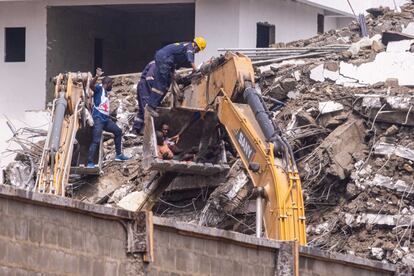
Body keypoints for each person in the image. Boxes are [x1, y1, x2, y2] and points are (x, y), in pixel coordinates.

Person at [146, 37, 207, 117]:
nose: (197, 52)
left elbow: (175, 58)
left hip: (164, 58)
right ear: (196, 46)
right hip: (165, 59)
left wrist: (173, 72)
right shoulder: (190, 47)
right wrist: (196, 70)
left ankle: (154, 105)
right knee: (162, 84)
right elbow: (190, 59)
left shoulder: (184, 45)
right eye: (198, 50)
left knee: (167, 84)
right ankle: (151, 106)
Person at [87, 68, 129, 168]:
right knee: (96, 140)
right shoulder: (99, 88)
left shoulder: (105, 92)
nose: (112, 86)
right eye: (111, 84)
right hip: (98, 119)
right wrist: (97, 76)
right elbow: (91, 85)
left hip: (105, 119)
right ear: (108, 83)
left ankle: (119, 155)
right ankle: (90, 162)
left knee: (118, 131)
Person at [132, 61, 156, 135]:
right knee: (146, 108)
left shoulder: (156, 63)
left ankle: (136, 129)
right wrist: (152, 92)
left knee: (142, 109)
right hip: (145, 87)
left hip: (143, 86)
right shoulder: (156, 64)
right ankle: (146, 130)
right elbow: (149, 78)